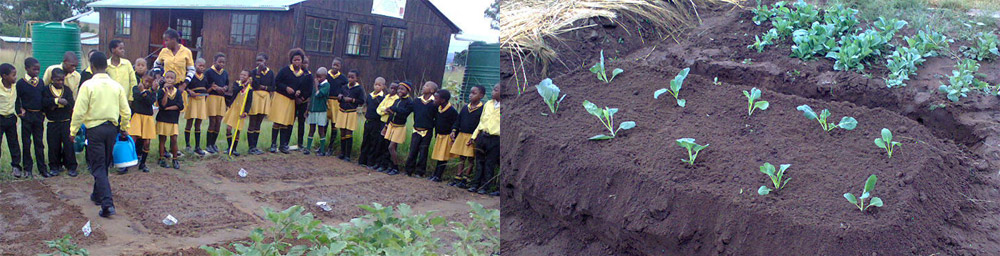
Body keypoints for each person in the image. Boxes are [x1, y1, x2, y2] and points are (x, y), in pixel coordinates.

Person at [69, 51, 132, 218]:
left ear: (92, 66)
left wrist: (73, 131)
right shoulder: (116, 86)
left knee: (98, 166)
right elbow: (126, 111)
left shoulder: (88, 86)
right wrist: (124, 127)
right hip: (112, 129)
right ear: (106, 66)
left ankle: (107, 203)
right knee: (103, 164)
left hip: (95, 130)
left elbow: (79, 111)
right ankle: (97, 195)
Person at [16, 57, 53, 177]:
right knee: (26, 143)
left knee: (39, 143)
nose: (36, 72)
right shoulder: (21, 83)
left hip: (38, 116)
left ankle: (42, 169)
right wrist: (20, 112)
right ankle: (28, 169)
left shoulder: (41, 82)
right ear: (26, 69)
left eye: (38, 70)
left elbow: (43, 98)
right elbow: (17, 99)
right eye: (34, 69)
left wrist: (43, 113)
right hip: (27, 116)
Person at [41, 68, 77, 177]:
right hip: (53, 122)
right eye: (57, 80)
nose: (60, 82)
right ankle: (54, 167)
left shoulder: (66, 90)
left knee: (68, 145)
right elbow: (44, 103)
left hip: (66, 122)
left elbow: (71, 103)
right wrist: (57, 101)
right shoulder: (46, 90)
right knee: (53, 146)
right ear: (52, 79)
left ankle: (71, 167)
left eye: (62, 80)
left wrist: (59, 105)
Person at [468, 84, 502, 195]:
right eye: (493, 89)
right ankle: (475, 184)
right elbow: (481, 122)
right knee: (479, 161)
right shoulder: (488, 104)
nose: (493, 92)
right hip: (482, 136)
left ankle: (485, 186)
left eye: (496, 90)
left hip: (495, 139)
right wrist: (473, 136)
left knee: (489, 163)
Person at [270, 48, 306, 154]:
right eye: (295, 60)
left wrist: (299, 91)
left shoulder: (302, 74)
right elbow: (277, 82)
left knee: (286, 123)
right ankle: (273, 144)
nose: (297, 62)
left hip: (291, 101)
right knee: (277, 121)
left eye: (299, 60)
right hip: (281, 97)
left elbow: (301, 86)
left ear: (302, 61)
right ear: (291, 60)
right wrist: (286, 88)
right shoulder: (285, 70)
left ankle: (282, 145)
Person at [448, 85, 485, 188]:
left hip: (472, 136)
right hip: (462, 135)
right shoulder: (465, 107)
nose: (470, 95)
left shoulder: (482, 109)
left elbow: (481, 124)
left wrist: (475, 137)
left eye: (474, 93)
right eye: (470, 93)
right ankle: (458, 176)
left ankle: (466, 178)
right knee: (461, 157)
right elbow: (458, 120)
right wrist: (454, 130)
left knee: (470, 158)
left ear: (481, 95)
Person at [404, 81, 439, 177]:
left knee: (423, 152)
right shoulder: (416, 101)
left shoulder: (434, 103)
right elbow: (408, 111)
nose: (423, 87)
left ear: (432, 90)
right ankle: (408, 170)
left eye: (426, 86)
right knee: (413, 150)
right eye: (424, 85)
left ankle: (420, 171)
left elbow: (437, 118)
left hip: (427, 131)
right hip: (416, 129)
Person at [127, 71, 157, 173]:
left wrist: (144, 92)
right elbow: (137, 97)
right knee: (132, 139)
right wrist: (144, 94)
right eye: (146, 81)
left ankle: (143, 163)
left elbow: (150, 101)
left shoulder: (153, 92)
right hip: (137, 116)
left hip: (148, 118)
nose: (147, 83)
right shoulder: (135, 88)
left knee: (147, 142)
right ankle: (128, 161)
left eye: (150, 82)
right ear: (142, 78)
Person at [383, 81, 414, 175]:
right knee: (391, 147)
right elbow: (392, 114)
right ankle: (391, 166)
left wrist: (393, 109)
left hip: (399, 127)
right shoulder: (397, 100)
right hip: (392, 125)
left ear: (408, 91)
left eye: (402, 89)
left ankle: (396, 167)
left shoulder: (409, 102)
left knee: (391, 147)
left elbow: (404, 113)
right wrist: (386, 124)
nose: (399, 91)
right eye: (399, 89)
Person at [246, 53, 273, 155]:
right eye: (257, 60)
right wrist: (258, 72)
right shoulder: (253, 72)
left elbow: (272, 87)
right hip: (255, 98)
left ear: (265, 61)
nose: (259, 62)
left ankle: (255, 146)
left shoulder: (270, 73)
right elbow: (255, 85)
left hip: (265, 98)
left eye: (261, 60)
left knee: (259, 123)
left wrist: (264, 87)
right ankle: (250, 147)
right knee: (252, 122)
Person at [156, 71, 184, 169]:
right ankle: (161, 158)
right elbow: (162, 104)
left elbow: (180, 105)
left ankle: (175, 159)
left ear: (175, 80)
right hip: (163, 118)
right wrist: (166, 94)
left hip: (173, 119)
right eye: (167, 77)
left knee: (174, 139)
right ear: (164, 79)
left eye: (171, 78)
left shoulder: (178, 92)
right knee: (162, 139)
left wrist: (168, 108)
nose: (169, 79)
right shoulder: (161, 91)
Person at [335, 69, 365, 161]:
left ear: (357, 78)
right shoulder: (344, 87)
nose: (350, 79)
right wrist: (339, 97)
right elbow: (340, 98)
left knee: (349, 133)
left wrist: (352, 100)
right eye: (349, 77)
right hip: (342, 111)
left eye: (352, 77)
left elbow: (361, 101)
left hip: (351, 112)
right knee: (342, 132)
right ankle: (342, 153)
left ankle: (348, 155)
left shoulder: (359, 89)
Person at [428, 89, 457, 182]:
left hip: (447, 136)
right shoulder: (439, 109)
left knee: (443, 157)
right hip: (440, 135)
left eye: (436, 99)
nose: (434, 100)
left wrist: (453, 133)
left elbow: (455, 123)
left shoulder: (451, 111)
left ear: (443, 100)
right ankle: (435, 174)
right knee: (438, 156)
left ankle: (438, 176)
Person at [222, 70, 253, 156]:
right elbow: (235, 91)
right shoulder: (236, 83)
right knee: (229, 128)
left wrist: (246, 112)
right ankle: (229, 147)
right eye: (241, 74)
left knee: (237, 130)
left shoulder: (250, 89)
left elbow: (249, 102)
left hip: (241, 110)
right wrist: (243, 85)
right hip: (234, 108)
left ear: (248, 77)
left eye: (245, 75)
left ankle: (234, 148)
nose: (242, 76)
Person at [358, 77, 386, 168]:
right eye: (375, 84)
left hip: (376, 122)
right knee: (365, 140)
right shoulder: (370, 96)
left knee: (373, 142)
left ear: (383, 87)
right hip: (368, 121)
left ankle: (371, 162)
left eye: (379, 85)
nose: (377, 86)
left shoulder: (383, 98)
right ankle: (362, 160)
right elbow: (367, 106)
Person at [204, 53, 230, 154]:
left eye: (223, 62)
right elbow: (206, 86)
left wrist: (224, 88)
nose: (221, 64)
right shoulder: (209, 72)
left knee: (219, 121)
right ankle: (208, 144)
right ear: (214, 61)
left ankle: (213, 143)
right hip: (212, 98)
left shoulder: (225, 73)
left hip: (221, 98)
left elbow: (227, 84)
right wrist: (214, 88)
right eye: (219, 62)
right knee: (213, 121)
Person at [0, 63, 22, 178]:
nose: (15, 77)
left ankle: (16, 167)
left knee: (14, 143)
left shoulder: (15, 86)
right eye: (13, 75)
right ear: (4, 76)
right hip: (0, 118)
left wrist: (20, 110)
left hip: (10, 118)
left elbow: (18, 100)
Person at [183, 58, 209, 156]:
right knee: (189, 122)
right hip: (193, 100)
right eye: (199, 65)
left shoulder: (205, 77)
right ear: (195, 65)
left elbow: (206, 87)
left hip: (201, 100)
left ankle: (197, 146)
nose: (201, 68)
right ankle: (187, 145)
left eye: (203, 66)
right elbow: (185, 86)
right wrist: (189, 91)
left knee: (198, 124)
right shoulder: (191, 76)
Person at [374, 82, 399, 172]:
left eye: (395, 89)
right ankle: (378, 163)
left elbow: (391, 110)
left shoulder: (396, 99)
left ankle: (385, 165)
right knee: (379, 144)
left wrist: (385, 110)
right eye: (391, 88)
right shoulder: (386, 96)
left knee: (386, 145)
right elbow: (379, 109)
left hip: (389, 124)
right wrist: (384, 111)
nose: (392, 90)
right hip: (382, 121)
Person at [305, 67, 330, 155]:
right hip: (313, 110)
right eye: (317, 77)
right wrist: (307, 109)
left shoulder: (326, 85)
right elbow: (312, 97)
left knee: (321, 130)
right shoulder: (317, 84)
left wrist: (316, 85)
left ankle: (322, 150)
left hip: (321, 111)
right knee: (311, 129)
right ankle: (307, 148)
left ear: (325, 76)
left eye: (320, 77)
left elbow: (319, 94)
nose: (318, 79)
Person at [325, 58, 347, 155]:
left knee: (334, 125)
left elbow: (346, 89)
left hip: (336, 103)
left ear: (340, 67)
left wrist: (341, 94)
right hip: (326, 101)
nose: (335, 67)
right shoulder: (326, 76)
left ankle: (331, 147)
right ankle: (323, 146)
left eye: (337, 65)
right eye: (334, 64)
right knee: (324, 124)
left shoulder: (343, 78)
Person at [106, 40, 137, 107]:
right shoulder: (106, 65)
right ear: (113, 50)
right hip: (110, 100)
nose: (123, 50)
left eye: (123, 48)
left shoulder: (127, 64)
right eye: (120, 48)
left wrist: (131, 98)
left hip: (124, 100)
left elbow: (133, 81)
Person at [292, 57, 314, 152]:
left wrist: (302, 98)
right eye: (303, 62)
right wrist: (296, 97)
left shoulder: (309, 75)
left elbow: (309, 89)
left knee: (301, 122)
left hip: (303, 101)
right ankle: (285, 142)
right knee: (290, 121)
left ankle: (300, 143)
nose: (305, 64)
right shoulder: (296, 73)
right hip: (294, 100)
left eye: (306, 63)